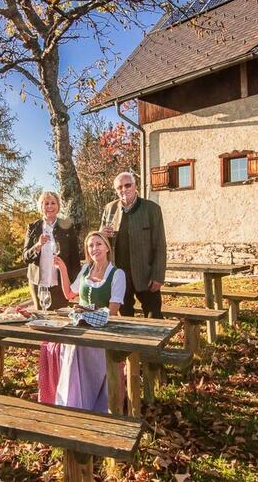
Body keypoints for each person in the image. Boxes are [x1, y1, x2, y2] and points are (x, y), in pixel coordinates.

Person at [52, 231, 125, 412]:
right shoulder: (86, 270)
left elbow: (112, 311)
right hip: (82, 327)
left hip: (105, 330)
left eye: (98, 244)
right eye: (90, 245)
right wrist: (62, 269)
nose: (94, 248)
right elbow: (70, 294)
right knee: (68, 345)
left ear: (107, 247)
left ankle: (95, 404)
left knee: (79, 348)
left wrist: (85, 312)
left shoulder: (117, 274)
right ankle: (73, 403)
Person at [100, 171, 166, 318]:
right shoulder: (109, 209)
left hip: (146, 274)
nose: (124, 189)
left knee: (154, 317)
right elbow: (100, 241)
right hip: (120, 276)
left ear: (135, 186)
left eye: (128, 185)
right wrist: (102, 233)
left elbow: (160, 245)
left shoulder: (152, 209)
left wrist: (158, 275)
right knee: (125, 320)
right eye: (119, 187)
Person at [22, 190, 80, 311]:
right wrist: (37, 246)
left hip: (60, 283)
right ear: (41, 207)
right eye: (46, 203)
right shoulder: (33, 227)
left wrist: (75, 283)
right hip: (38, 283)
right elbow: (25, 257)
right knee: (41, 316)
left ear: (58, 206)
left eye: (53, 203)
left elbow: (75, 257)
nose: (49, 206)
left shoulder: (67, 226)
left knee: (61, 317)